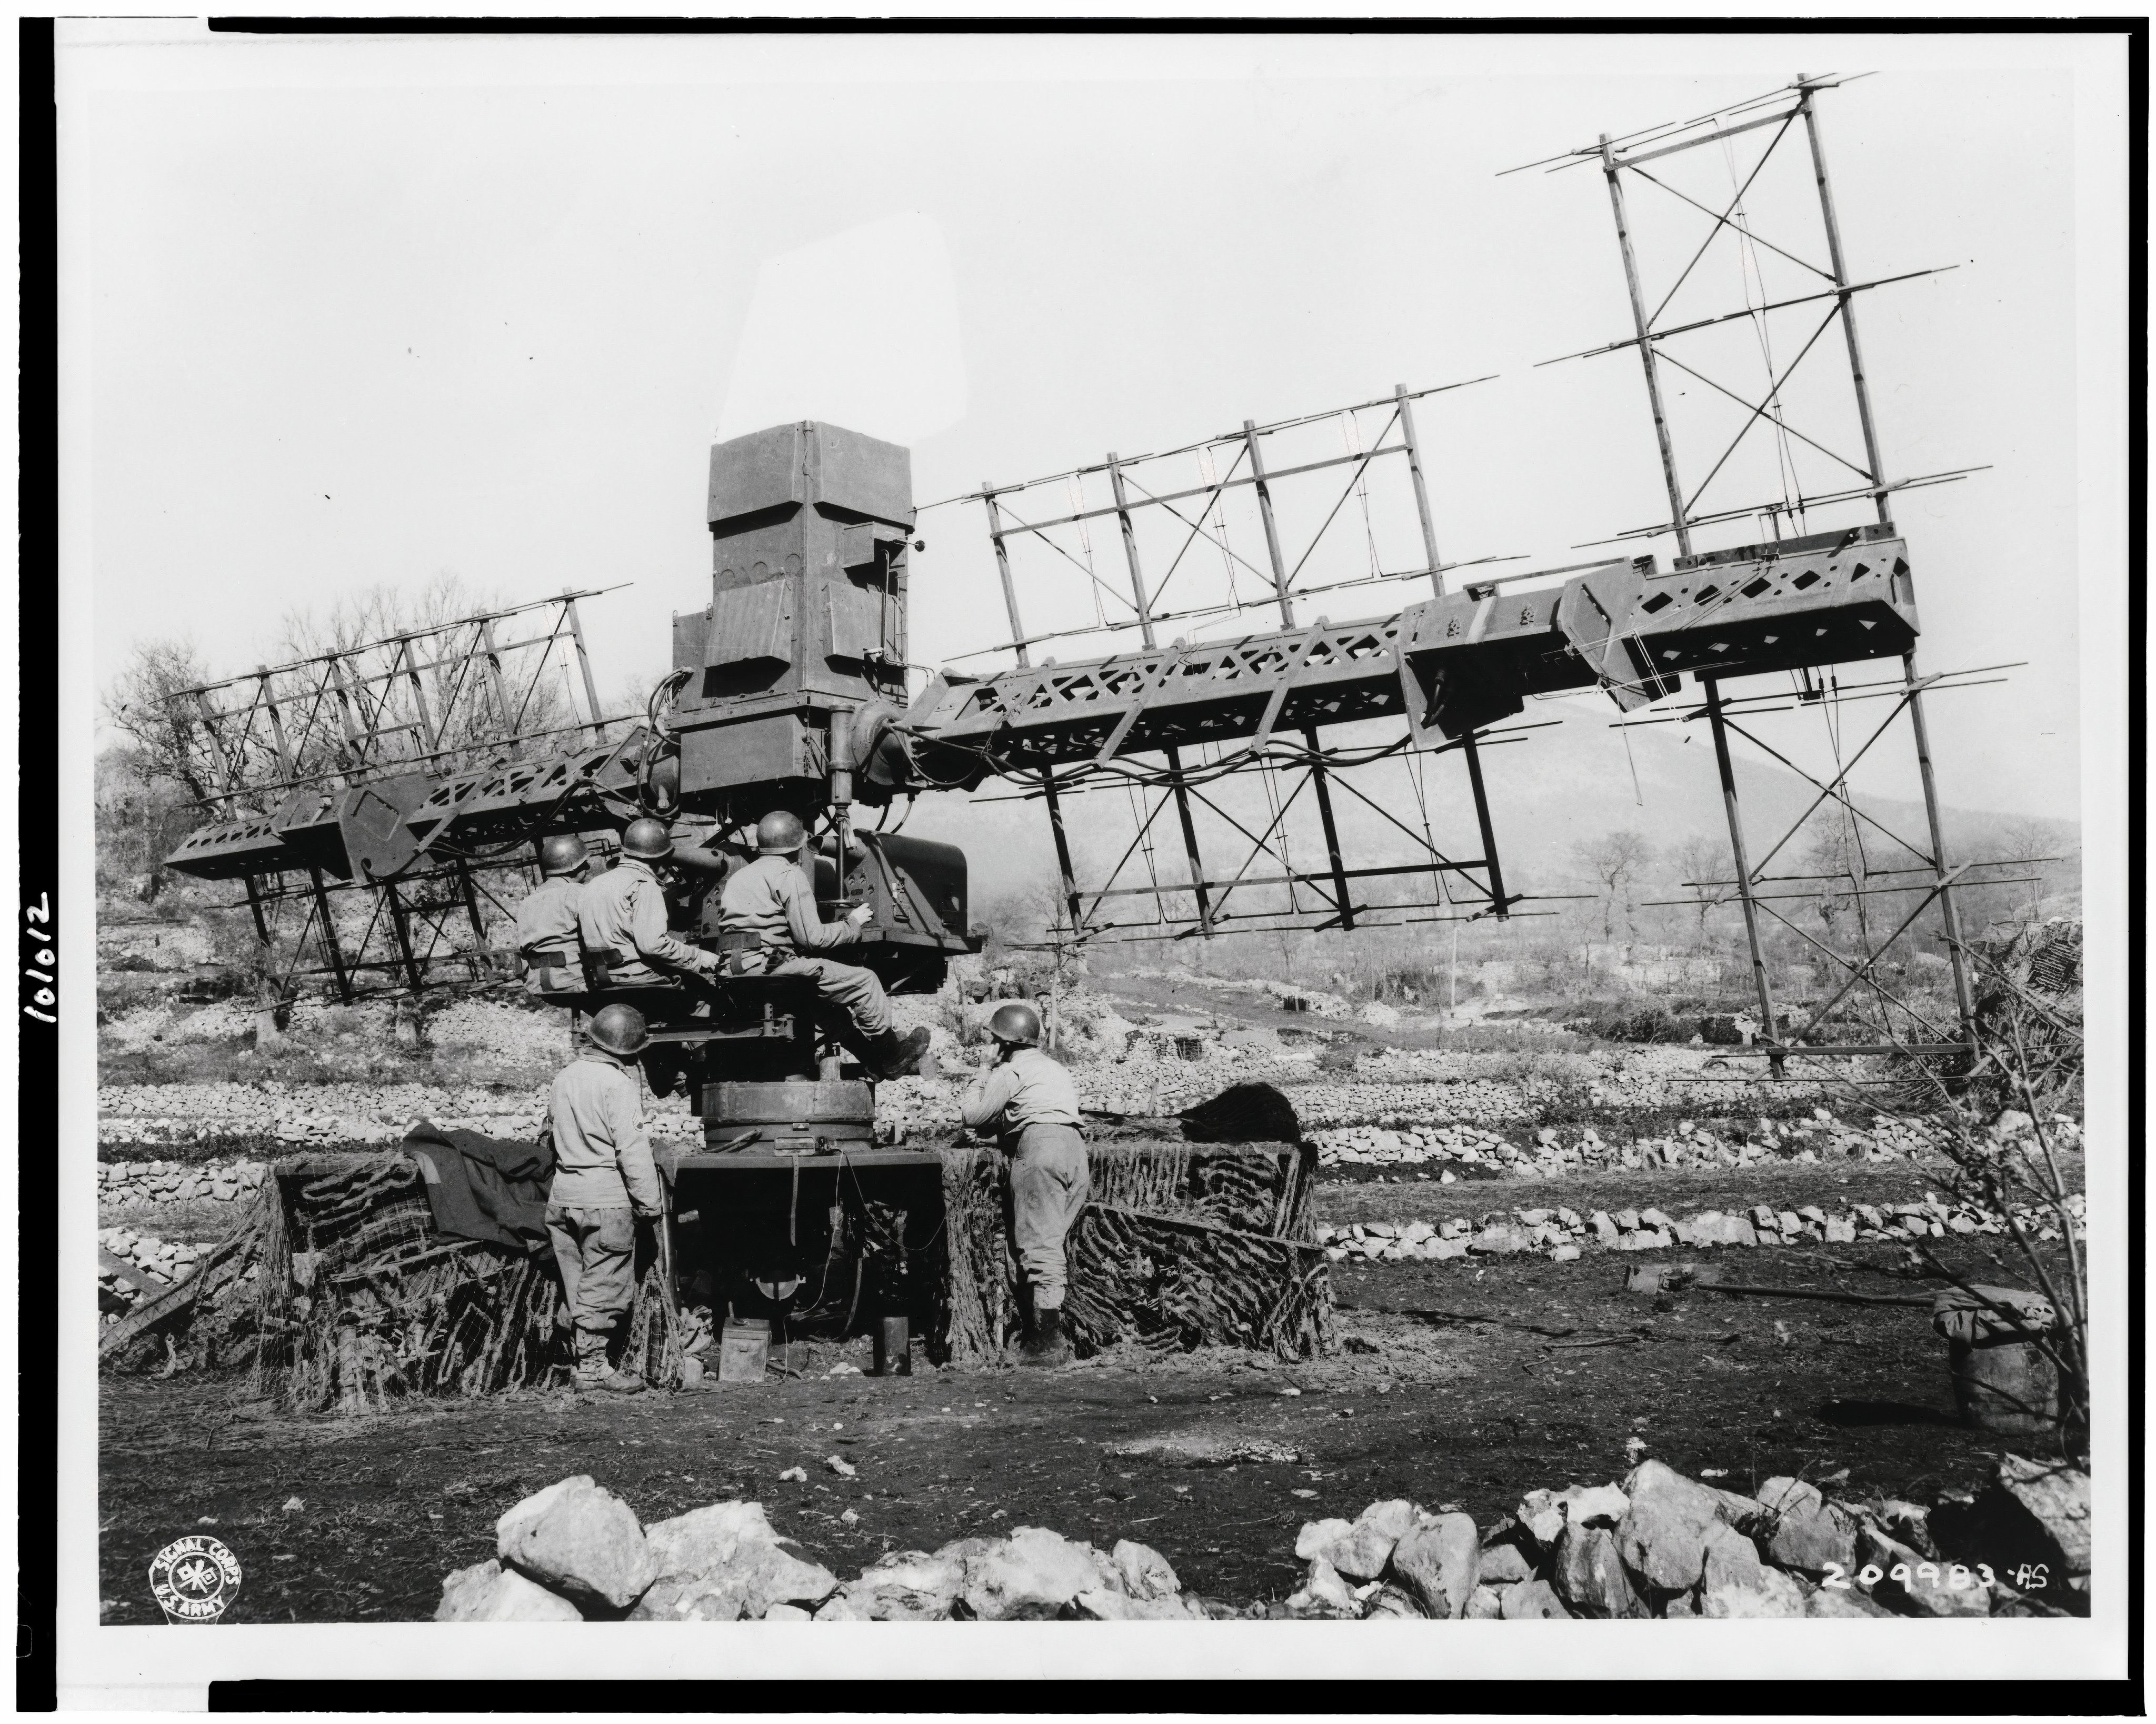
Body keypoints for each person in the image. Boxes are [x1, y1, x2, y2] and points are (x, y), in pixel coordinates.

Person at [716, 809, 930, 1080]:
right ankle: (893, 1056)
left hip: (733, 970)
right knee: (865, 981)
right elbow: (812, 938)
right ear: (798, 847)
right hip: (768, 968)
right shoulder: (789, 874)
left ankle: (871, 1060)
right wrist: (852, 923)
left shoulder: (739, 877)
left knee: (825, 1007)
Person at [960, 1001, 1087, 1366]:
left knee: (1040, 1249)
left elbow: (972, 1114)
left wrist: (983, 1071)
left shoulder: (1010, 1070)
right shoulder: (1055, 1069)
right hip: (1073, 1151)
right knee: (1044, 1242)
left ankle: (1047, 1345)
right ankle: (1037, 1336)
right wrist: (995, 1140)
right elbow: (1040, 1117)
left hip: (1041, 1154)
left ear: (1004, 1044)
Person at [545, 1002, 663, 1395]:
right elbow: (632, 1150)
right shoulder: (618, 1084)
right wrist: (650, 1204)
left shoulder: (563, 1078)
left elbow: (550, 1136)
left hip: (563, 1197)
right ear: (629, 1051)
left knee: (576, 1283)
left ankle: (575, 1360)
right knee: (604, 1286)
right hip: (604, 1199)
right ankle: (594, 1370)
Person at [578, 816, 720, 990]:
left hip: (600, 979)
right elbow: (654, 946)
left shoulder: (594, 883)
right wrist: (702, 958)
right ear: (661, 857)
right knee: (707, 994)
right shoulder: (643, 884)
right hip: (636, 978)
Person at [513, 834, 591, 1000]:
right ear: (574, 867)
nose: (589, 867)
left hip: (538, 984)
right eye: (584, 863)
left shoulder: (529, 900)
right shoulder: (579, 894)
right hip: (575, 981)